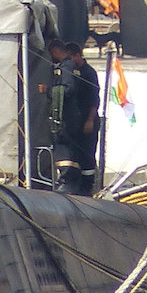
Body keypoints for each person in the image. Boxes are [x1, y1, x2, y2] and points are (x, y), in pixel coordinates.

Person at [43, 38, 86, 194]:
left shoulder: (66, 67)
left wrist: (48, 91)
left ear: (55, 52)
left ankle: (67, 179)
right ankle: (69, 179)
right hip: (72, 115)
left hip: (67, 116)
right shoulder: (69, 66)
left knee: (63, 146)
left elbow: (68, 89)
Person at [69, 41, 101, 195]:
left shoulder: (88, 73)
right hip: (77, 120)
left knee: (87, 153)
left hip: (88, 120)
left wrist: (90, 120)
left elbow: (94, 99)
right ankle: (78, 183)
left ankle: (88, 186)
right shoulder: (73, 72)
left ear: (77, 55)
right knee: (78, 153)